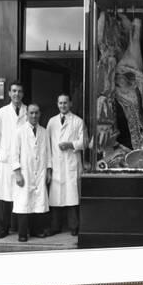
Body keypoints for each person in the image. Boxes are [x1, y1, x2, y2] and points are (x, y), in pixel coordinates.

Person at [46, 94, 86, 236]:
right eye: (60, 103)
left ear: (70, 104)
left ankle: (74, 226)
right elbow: (47, 146)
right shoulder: (51, 122)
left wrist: (70, 144)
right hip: (56, 164)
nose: (63, 105)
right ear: (57, 104)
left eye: (65, 103)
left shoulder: (78, 121)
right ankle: (55, 227)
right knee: (56, 198)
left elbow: (84, 142)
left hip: (71, 163)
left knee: (71, 197)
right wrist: (49, 168)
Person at [11, 103, 52, 242]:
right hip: (25, 172)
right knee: (24, 203)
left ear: (40, 114)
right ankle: (22, 233)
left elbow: (48, 153)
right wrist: (17, 173)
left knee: (38, 202)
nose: (34, 115)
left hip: (40, 172)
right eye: (31, 113)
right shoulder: (19, 131)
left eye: (36, 113)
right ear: (27, 114)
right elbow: (14, 154)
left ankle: (36, 231)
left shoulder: (44, 131)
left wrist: (48, 170)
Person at [0, 81, 27, 239]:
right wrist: (3, 153)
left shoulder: (28, 111)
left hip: (22, 160)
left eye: (19, 91)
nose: (16, 94)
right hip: (6, 161)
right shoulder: (2, 113)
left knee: (22, 195)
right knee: (5, 195)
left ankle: (22, 230)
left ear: (23, 94)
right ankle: (3, 228)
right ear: (8, 93)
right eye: (14, 91)